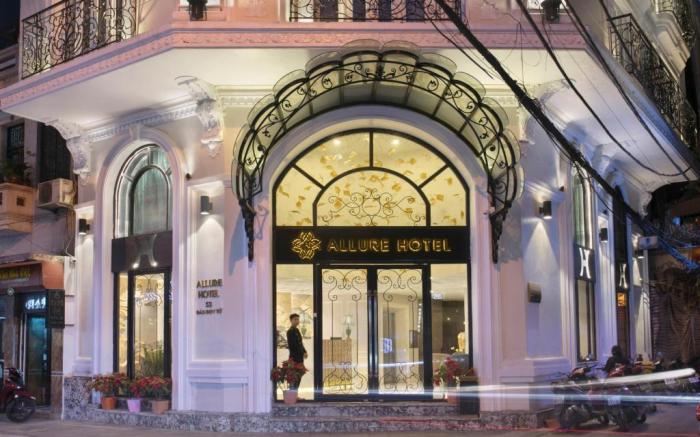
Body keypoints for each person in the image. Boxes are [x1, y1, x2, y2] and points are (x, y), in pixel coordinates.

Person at [286, 313, 307, 389]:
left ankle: (295, 393)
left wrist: (304, 351)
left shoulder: (297, 330)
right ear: (291, 320)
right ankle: (292, 393)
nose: (297, 321)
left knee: (299, 376)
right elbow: (293, 345)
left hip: (299, 357)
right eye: (295, 319)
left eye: (298, 319)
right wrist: (301, 352)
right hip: (294, 358)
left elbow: (300, 343)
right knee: (293, 378)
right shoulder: (290, 331)